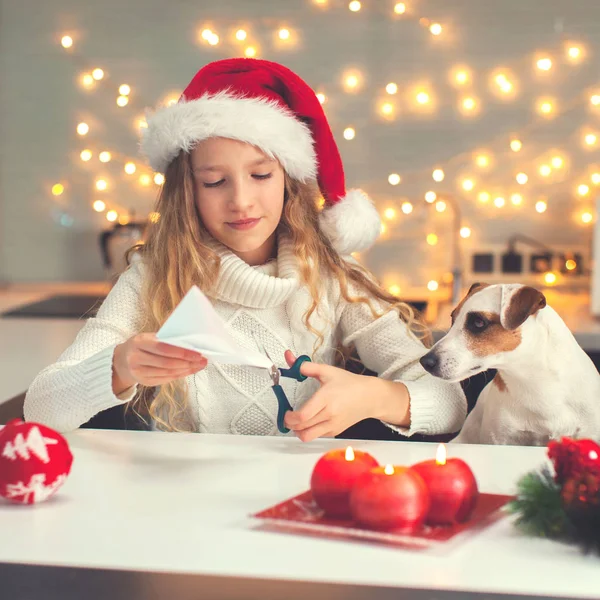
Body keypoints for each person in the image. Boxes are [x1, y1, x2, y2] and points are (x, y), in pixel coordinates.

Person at [24, 58, 467, 440]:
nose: (240, 200)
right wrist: (118, 368)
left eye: (260, 175)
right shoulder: (154, 276)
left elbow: (450, 402)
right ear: (188, 192)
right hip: (186, 506)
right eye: (214, 181)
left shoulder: (334, 276)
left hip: (302, 496)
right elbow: (41, 407)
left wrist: (374, 397)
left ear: (290, 182)